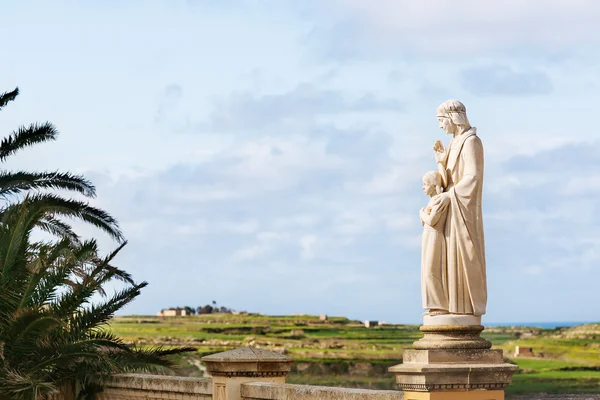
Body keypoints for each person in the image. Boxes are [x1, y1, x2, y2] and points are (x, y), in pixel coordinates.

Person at [432, 100, 487, 316]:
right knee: (446, 259)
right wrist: (440, 162)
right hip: (450, 207)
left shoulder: (471, 142)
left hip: (462, 208)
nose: (440, 126)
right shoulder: (455, 143)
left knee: (463, 257)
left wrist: (449, 196)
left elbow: (472, 177)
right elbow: (448, 181)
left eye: (441, 120)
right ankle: (449, 306)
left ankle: (463, 309)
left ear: (453, 117)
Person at [420, 171, 450, 316]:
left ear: (433, 185)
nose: (423, 187)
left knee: (432, 271)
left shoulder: (439, 200)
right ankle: (433, 305)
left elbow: (432, 220)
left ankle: (441, 305)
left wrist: (421, 213)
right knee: (426, 272)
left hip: (435, 236)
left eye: (425, 184)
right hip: (428, 236)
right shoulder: (432, 201)